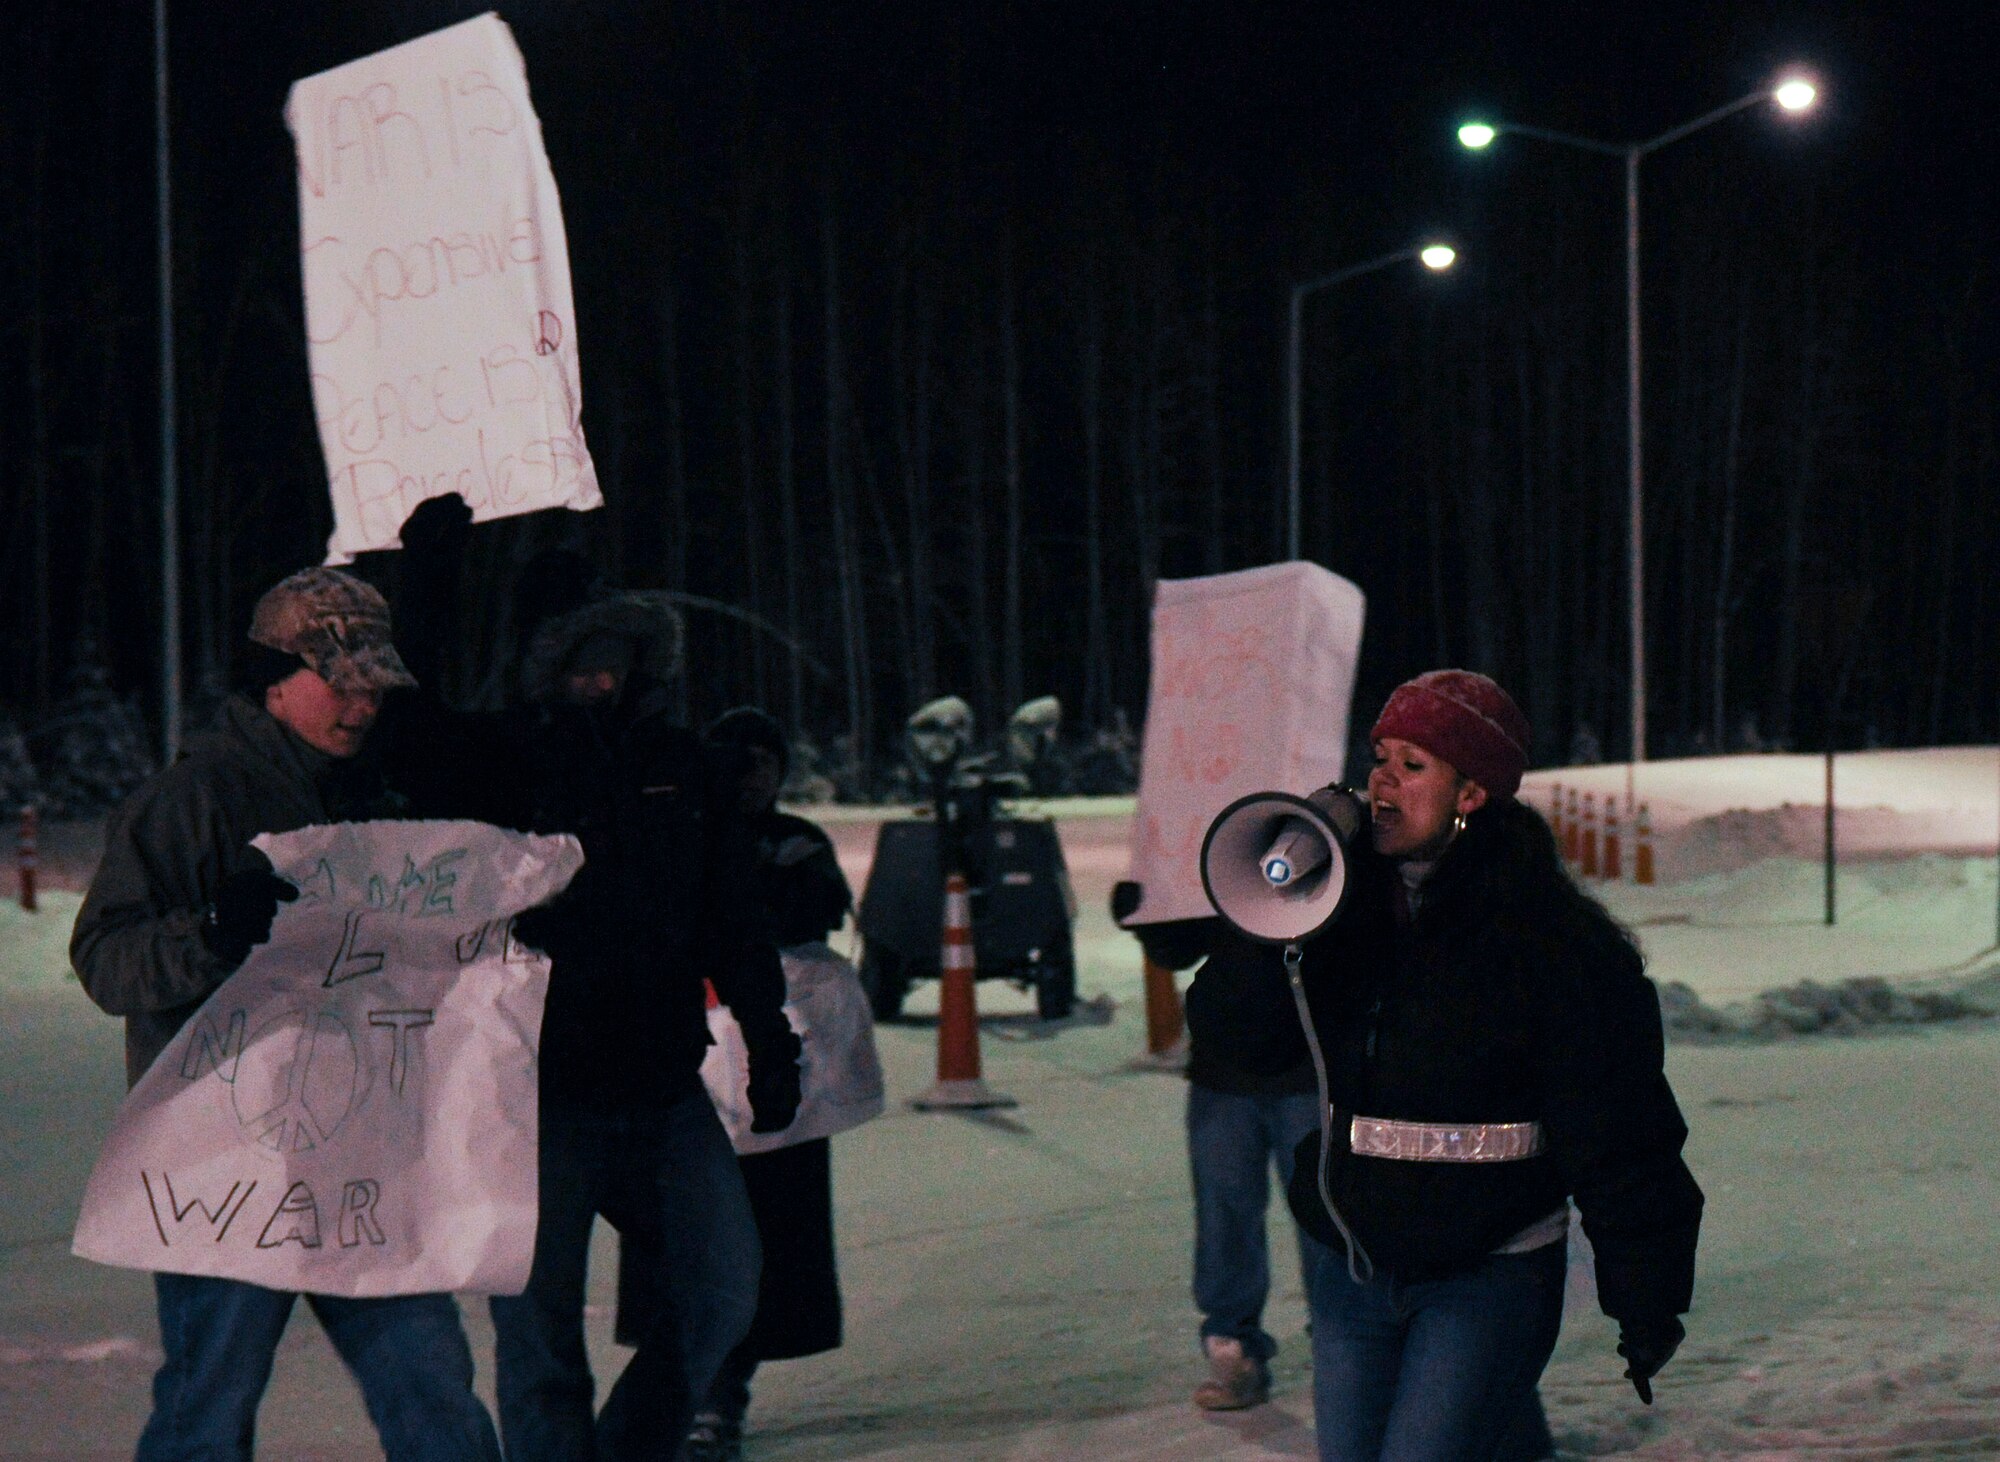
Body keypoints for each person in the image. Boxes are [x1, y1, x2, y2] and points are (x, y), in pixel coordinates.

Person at [1186, 670, 1703, 1462]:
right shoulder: (1340, 917)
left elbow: (1623, 1132)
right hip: (1350, 1273)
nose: (1382, 780)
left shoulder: (1554, 946)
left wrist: (1646, 1296)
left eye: (1413, 764)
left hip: (1488, 1277)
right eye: (1380, 756)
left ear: (1470, 793)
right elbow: (1240, 1042)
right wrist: (1271, 924)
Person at [70, 568, 503, 1462]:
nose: (360, 704)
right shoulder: (195, 798)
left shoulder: (381, 796)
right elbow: (105, 959)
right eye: (337, 681)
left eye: (373, 684)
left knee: (434, 1393)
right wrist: (209, 934)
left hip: (363, 1162)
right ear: (271, 681)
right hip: (225, 1172)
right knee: (208, 1407)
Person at [489, 583, 803, 1461]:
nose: (600, 682)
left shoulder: (685, 769)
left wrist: (768, 1037)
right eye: (581, 664)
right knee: (538, 1324)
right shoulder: (512, 762)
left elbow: (731, 916)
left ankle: (630, 1449)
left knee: (726, 1286)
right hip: (538, 1094)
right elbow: (415, 740)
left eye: (616, 664)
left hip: (663, 1084)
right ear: (549, 671)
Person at [614, 706, 859, 1462]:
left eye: (765, 760)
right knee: (680, 1243)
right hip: (682, 1071)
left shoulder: (794, 840)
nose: (751, 774)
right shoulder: (675, 833)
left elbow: (816, 903)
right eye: (738, 758)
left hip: (774, 1076)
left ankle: (722, 1393)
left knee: (763, 1245)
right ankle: (686, 1396)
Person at [1108, 888, 1330, 1412]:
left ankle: (1343, 1347)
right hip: (1224, 1069)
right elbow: (1177, 949)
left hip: (1312, 1065)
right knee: (1225, 1213)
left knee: (1325, 1219)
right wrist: (1147, 910)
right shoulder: (1213, 842)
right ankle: (1232, 1347)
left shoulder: (1335, 842)